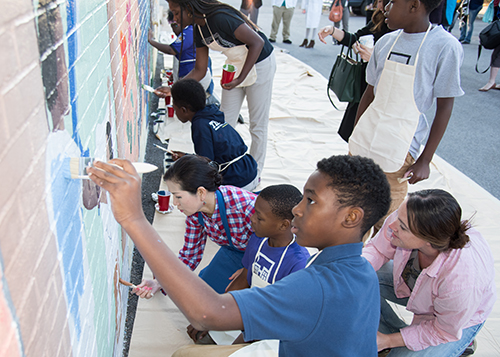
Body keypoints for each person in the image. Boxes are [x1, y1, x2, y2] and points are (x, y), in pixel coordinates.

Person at [87, 154, 391, 356]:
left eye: (310, 201)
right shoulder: (361, 269)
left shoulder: (313, 284)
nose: (297, 208)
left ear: (351, 218)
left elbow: (207, 312)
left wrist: (134, 219)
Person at [349, 0, 464, 233]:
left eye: (392, 2)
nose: (385, 8)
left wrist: (425, 159)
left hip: (401, 147)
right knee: (352, 210)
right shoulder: (386, 41)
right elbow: (369, 93)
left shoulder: (444, 46)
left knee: (387, 218)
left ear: (414, 6)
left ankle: (376, 265)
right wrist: (356, 130)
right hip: (366, 138)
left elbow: (444, 107)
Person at [362, 189, 496, 355]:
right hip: (424, 291)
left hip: (451, 324)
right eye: (398, 216)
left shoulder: (461, 280)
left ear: (428, 241)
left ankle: (461, 342)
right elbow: (378, 249)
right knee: (359, 277)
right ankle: (392, 335)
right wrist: (351, 273)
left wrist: (388, 340)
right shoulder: (409, 216)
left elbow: (442, 330)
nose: (391, 226)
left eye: (402, 227)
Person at [187, 184, 310, 345]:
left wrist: (241, 343)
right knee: (201, 337)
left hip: (271, 326)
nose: (251, 219)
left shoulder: (298, 262)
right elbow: (244, 278)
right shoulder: (258, 239)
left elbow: (279, 317)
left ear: (284, 225)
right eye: (254, 213)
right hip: (251, 309)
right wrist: (214, 314)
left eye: (259, 218)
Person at [167, 0, 276, 177]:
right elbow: (200, 70)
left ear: (189, 8)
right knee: (223, 120)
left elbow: (257, 42)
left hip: (260, 63)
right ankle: (221, 168)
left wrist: (240, 79)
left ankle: (254, 174)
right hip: (235, 66)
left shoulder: (219, 18)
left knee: (257, 124)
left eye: (177, 13)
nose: (175, 18)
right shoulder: (198, 29)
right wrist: (174, 89)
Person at [135, 155, 256, 295]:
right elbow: (190, 255)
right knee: (203, 296)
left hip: (265, 258)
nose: (175, 203)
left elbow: (277, 244)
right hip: (234, 251)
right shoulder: (195, 214)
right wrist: (160, 282)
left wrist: (249, 270)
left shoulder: (244, 207)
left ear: (201, 192)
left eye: (178, 196)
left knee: (239, 304)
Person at [319, 0, 392, 142]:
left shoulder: (403, 31)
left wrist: (374, 59)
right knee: (355, 134)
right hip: (364, 85)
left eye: (388, 2)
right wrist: (332, 30)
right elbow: (355, 38)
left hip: (382, 90)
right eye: (380, 2)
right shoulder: (380, 19)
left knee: (371, 137)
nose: (382, 7)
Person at [169, 78, 259, 191]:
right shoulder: (212, 113)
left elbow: (206, 165)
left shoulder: (200, 125)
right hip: (250, 170)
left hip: (238, 181)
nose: (174, 110)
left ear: (183, 110)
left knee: (195, 190)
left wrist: (184, 164)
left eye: (174, 108)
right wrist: (187, 156)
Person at [149, 11, 213, 92]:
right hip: (193, 75)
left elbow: (171, 50)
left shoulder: (188, 32)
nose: (173, 30)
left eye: (174, 25)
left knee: (187, 101)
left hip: (197, 77)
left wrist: (151, 41)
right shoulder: (190, 31)